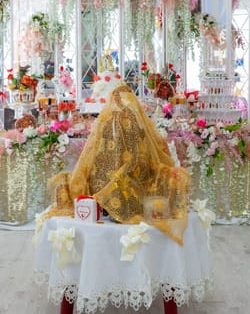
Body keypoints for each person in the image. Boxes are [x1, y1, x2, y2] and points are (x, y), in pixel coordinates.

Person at [46, 82, 190, 244]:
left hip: (115, 177)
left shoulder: (110, 120)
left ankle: (112, 206)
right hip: (127, 177)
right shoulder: (135, 123)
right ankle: (119, 204)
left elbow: (96, 152)